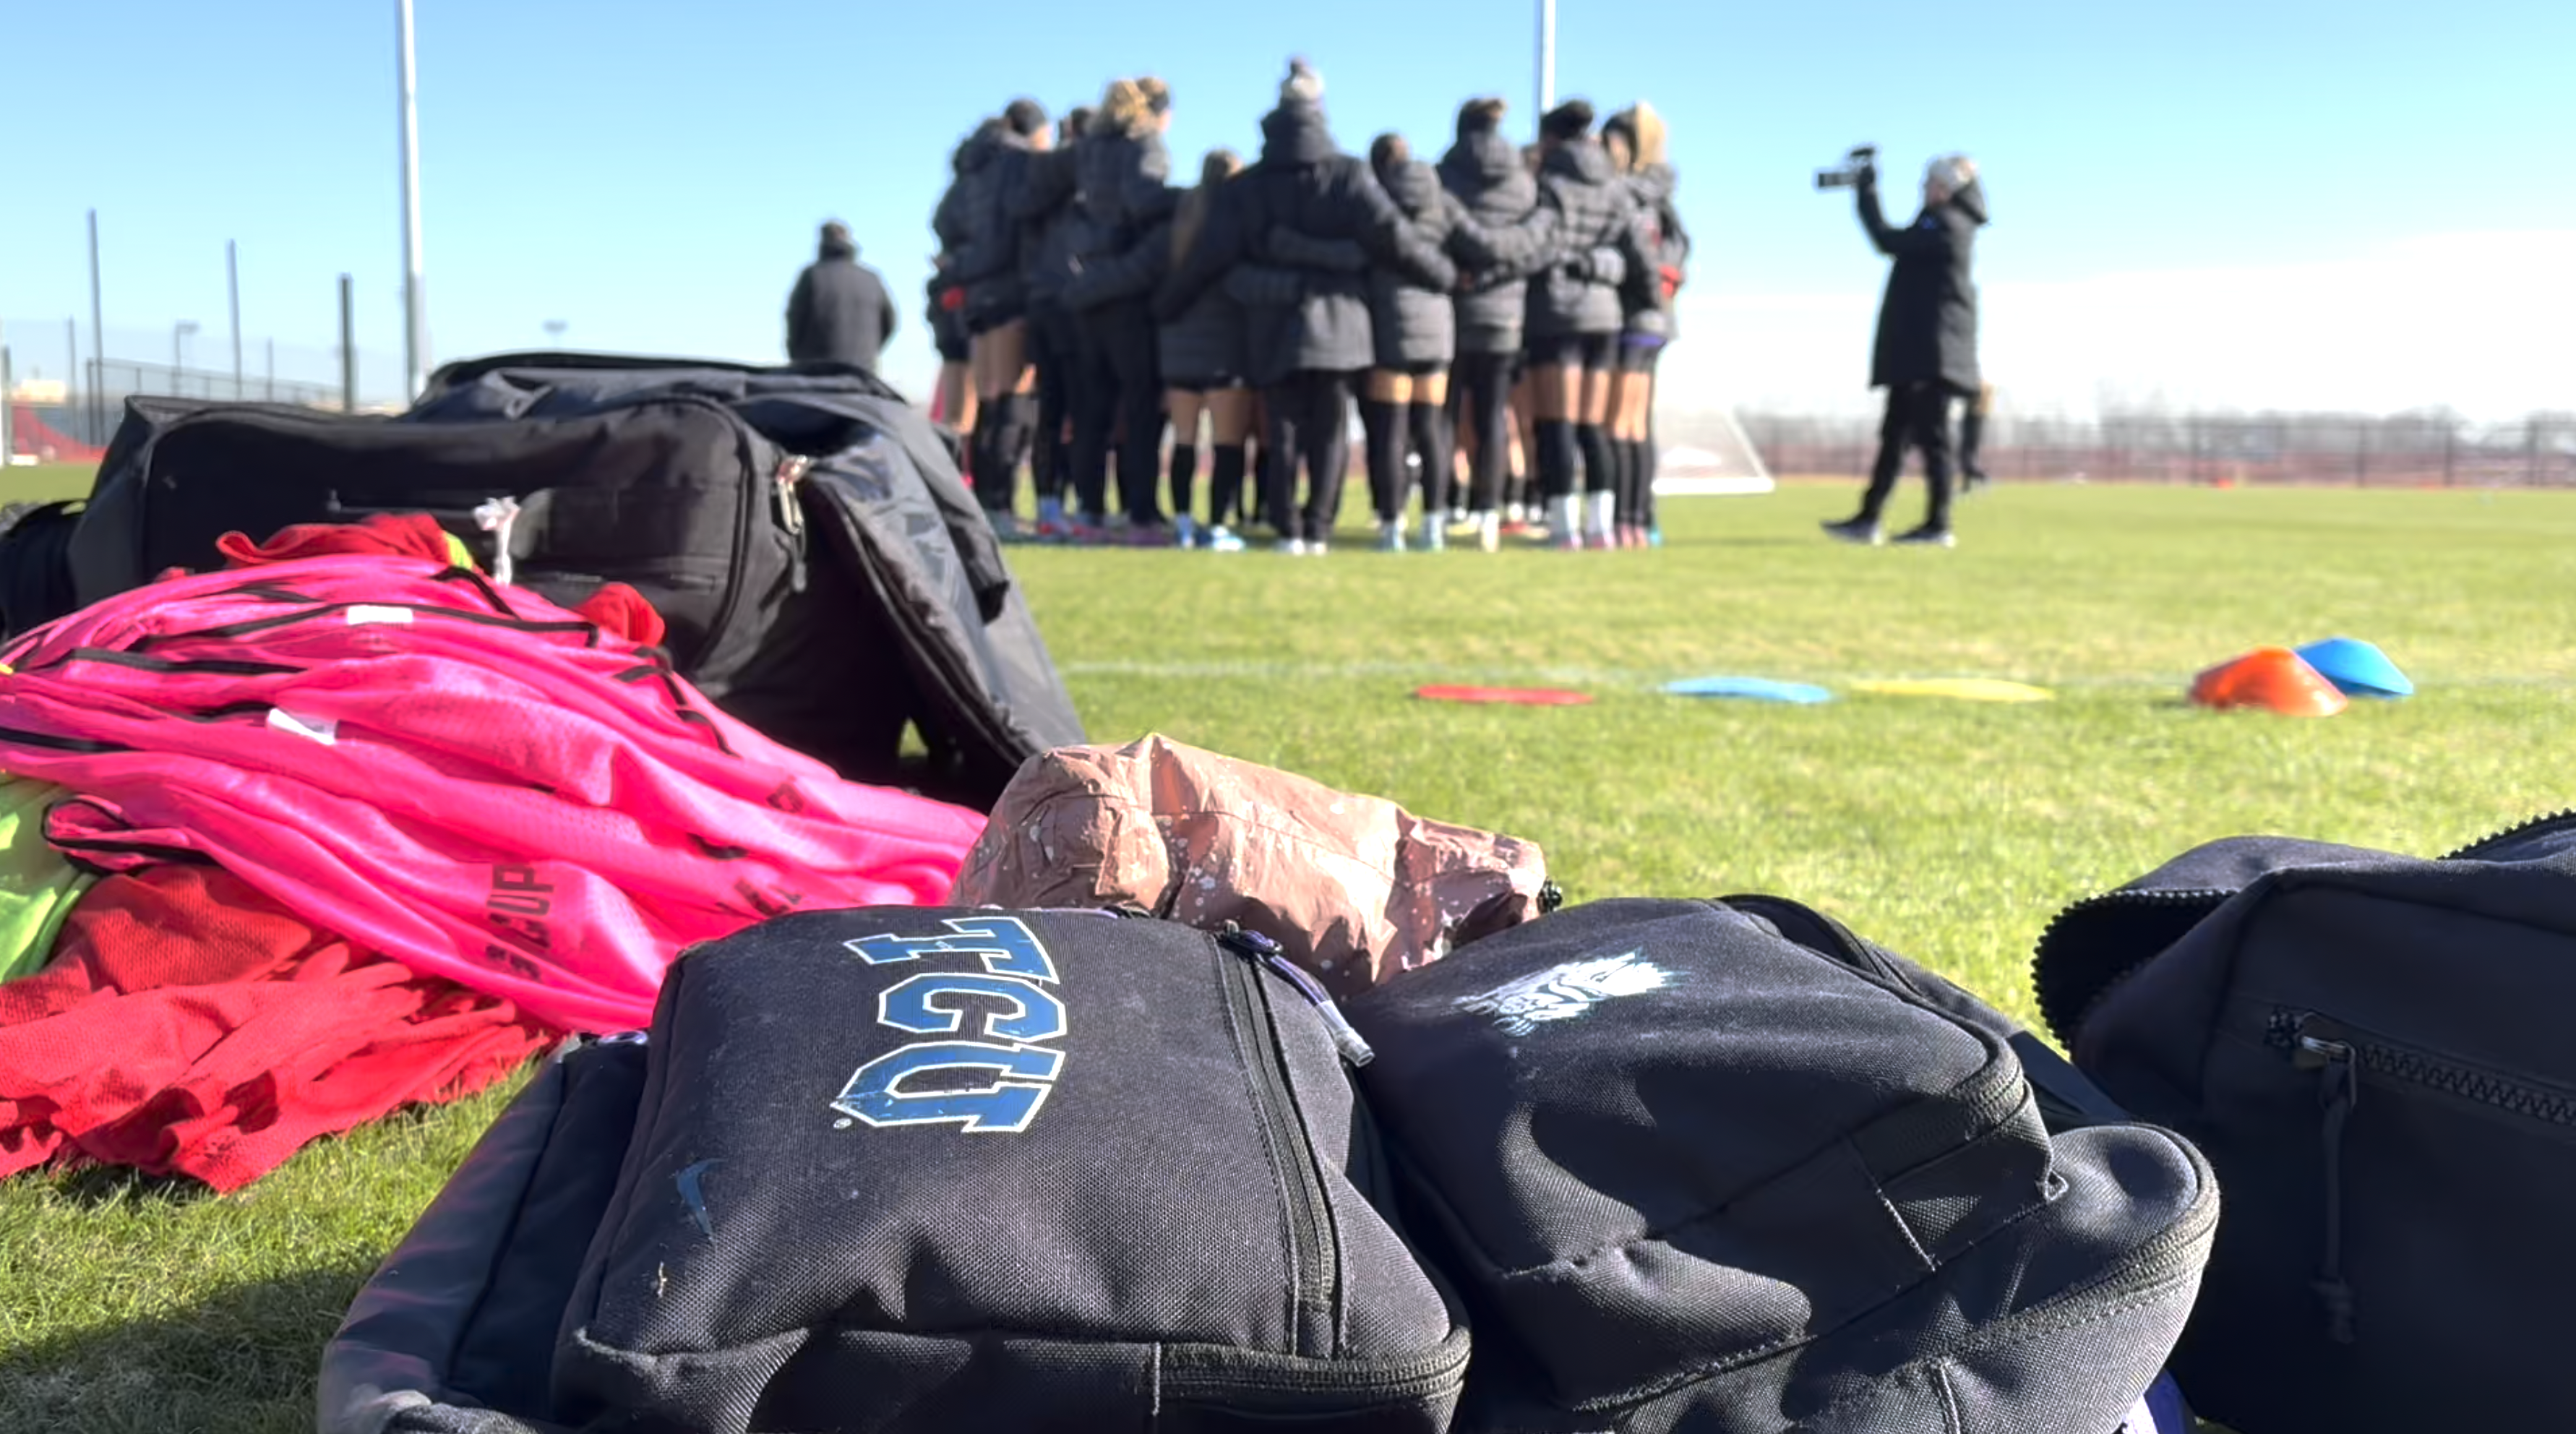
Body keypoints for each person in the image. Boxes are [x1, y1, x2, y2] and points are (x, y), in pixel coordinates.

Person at [1154, 59, 1454, 557]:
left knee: (1284, 428)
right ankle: (1317, 526)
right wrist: (1442, 277)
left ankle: (1290, 528)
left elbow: (1211, 257)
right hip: (1342, 324)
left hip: (1272, 320)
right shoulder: (1350, 176)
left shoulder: (1247, 187)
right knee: (1330, 429)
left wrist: (1168, 305)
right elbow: (1394, 239)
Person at [1822, 153, 1987, 548]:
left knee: (1933, 441)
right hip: (1920, 353)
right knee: (1895, 438)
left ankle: (1937, 524)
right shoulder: (1941, 223)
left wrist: (1867, 193)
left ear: (1946, 188)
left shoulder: (1947, 225)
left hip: (1932, 356)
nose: (1923, 190)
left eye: (1930, 183)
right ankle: (1868, 518)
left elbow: (1887, 240)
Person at [1063, 77, 1181, 542]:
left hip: (1088, 287)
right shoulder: (1145, 144)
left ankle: (1090, 509)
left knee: (1093, 409)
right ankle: (1141, 511)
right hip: (1128, 292)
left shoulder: (1091, 149)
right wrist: (1189, 199)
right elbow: (1144, 201)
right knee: (1140, 407)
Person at [1524, 100, 1642, 550]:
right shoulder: (1616, 188)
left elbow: (1537, 246)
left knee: (1558, 424)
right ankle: (1601, 527)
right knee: (1594, 426)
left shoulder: (1549, 184)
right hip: (1606, 318)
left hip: (1556, 315)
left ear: (1551, 138)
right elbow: (1637, 256)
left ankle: (1562, 527)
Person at [1436, 98, 1550, 553]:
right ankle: (1489, 510)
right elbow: (1533, 247)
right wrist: (1500, 273)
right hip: (1506, 316)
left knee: (1444, 418)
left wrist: (1462, 277)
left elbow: (1434, 234)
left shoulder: (1443, 179)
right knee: (1493, 415)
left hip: (1452, 312)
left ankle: (1445, 506)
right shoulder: (1523, 184)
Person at [950, 98, 1054, 531]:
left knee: (990, 401)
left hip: (979, 293)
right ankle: (1001, 505)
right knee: (1013, 399)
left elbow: (945, 220)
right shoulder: (1021, 162)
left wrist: (967, 261)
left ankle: (984, 501)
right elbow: (1028, 218)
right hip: (1011, 288)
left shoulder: (973, 170)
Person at [1360, 133, 1466, 551]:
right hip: (1438, 326)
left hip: (1390, 322)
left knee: (1391, 429)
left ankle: (1392, 526)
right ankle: (1434, 524)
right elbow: (1478, 245)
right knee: (1432, 427)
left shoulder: (1374, 204)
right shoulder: (1443, 203)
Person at [1157, 148, 1254, 551]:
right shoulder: (1235, 226)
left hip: (1178, 347)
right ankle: (1216, 525)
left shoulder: (1179, 225)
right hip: (1225, 348)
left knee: (1184, 440)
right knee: (1227, 443)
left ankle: (1181, 522)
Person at [1604, 103, 1689, 549]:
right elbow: (1682, 252)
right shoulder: (1663, 197)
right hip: (1658, 320)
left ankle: (1625, 520)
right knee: (1637, 424)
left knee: (1619, 422)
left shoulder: (1624, 194)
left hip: (1633, 316)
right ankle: (1642, 520)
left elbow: (1642, 254)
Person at [1014, 105, 1093, 538]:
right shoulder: (1084, 181)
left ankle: (1051, 504)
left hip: (1041, 300)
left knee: (1051, 409)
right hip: (1071, 304)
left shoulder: (1035, 179)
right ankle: (1074, 506)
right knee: (1079, 410)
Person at [928, 127, 992, 442]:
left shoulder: (953, 194)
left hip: (950, 295)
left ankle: (952, 465)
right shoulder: (984, 191)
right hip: (976, 296)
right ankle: (965, 470)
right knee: (979, 395)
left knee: (955, 391)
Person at [785, 221, 896, 372]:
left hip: (819, 374)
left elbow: (795, 323)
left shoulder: (812, 276)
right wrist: (868, 351)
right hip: (864, 375)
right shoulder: (872, 279)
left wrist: (799, 360)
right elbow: (890, 322)